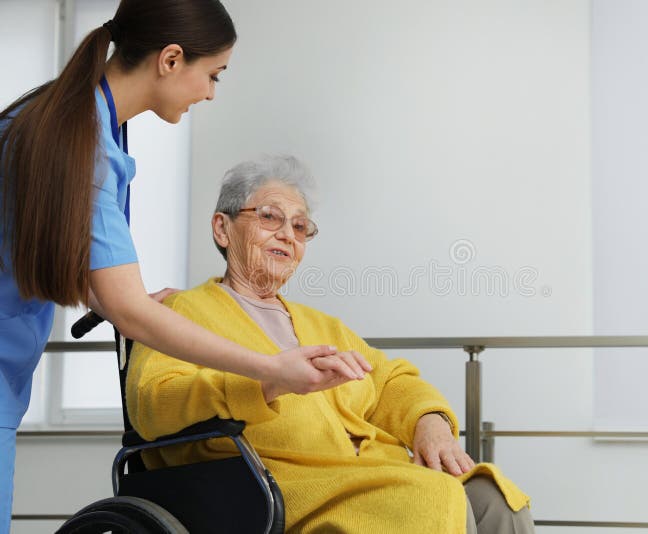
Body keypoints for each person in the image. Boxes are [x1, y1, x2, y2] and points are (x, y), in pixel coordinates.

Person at [0, 3, 367, 530]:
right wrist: (270, 368)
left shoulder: (80, 122)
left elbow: (59, 250)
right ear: (171, 59)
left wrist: (117, 298)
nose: (211, 92)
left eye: (299, 225)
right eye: (212, 75)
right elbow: (131, 314)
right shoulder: (85, 144)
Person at [127, 156, 535, 533]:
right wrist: (266, 384)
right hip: (271, 482)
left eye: (300, 226)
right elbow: (151, 401)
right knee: (431, 496)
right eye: (270, 217)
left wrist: (430, 424)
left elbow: (390, 381)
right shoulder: (182, 312)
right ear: (222, 228)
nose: (287, 235)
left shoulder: (322, 325)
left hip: (364, 472)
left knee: (496, 500)